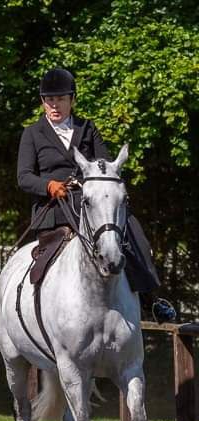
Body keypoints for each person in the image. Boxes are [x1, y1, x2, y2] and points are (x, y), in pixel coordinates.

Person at [17, 68, 176, 323]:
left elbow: (103, 164)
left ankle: (151, 299)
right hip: (54, 208)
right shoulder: (32, 133)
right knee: (47, 261)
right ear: (42, 102)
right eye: (49, 100)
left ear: (72, 100)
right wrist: (49, 186)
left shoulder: (87, 128)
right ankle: (25, 309)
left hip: (89, 205)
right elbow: (24, 177)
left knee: (131, 232)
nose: (55, 105)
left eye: (60, 99)